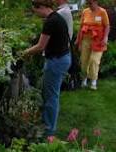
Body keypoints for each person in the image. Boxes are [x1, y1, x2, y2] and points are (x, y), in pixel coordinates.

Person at [22, 0, 71, 138]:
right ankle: (48, 124)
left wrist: (23, 53)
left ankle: (49, 131)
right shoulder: (56, 17)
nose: (35, 14)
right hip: (62, 58)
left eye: (35, 11)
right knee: (50, 94)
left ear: (42, 7)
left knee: (51, 97)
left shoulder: (50, 22)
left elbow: (40, 46)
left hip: (56, 61)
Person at [75, 0, 110, 90]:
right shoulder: (85, 11)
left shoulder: (102, 12)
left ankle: (93, 81)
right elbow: (81, 26)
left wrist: (105, 38)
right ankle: (84, 79)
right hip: (85, 40)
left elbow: (107, 26)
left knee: (94, 60)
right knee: (84, 61)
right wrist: (78, 40)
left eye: (90, 3)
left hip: (98, 40)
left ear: (96, 2)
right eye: (88, 3)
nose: (89, 5)